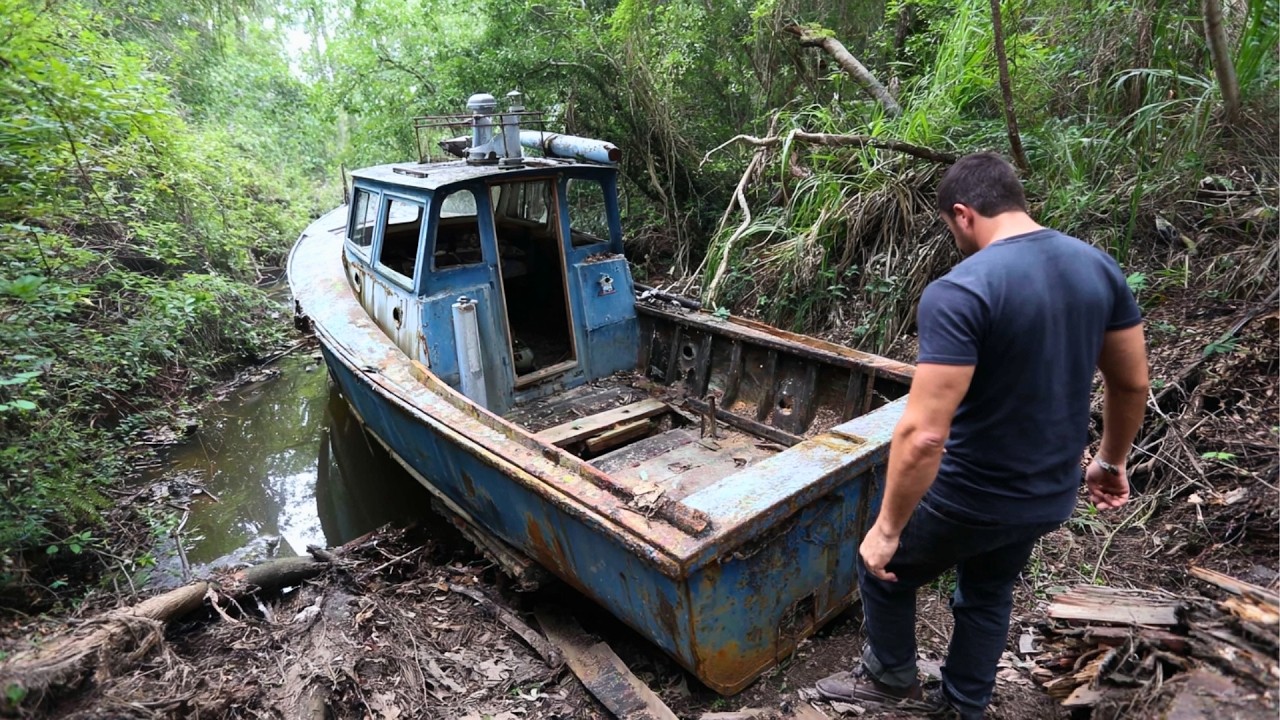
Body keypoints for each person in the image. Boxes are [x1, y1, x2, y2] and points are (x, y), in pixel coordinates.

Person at [814, 152, 1149, 718]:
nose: (954, 239)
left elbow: (922, 435)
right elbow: (1132, 383)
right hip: (1047, 493)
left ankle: (890, 677)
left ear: (963, 214)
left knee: (884, 572)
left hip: (970, 494)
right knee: (989, 591)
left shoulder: (962, 289)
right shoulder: (1098, 268)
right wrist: (1110, 462)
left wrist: (887, 529)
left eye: (951, 227)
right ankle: (965, 703)